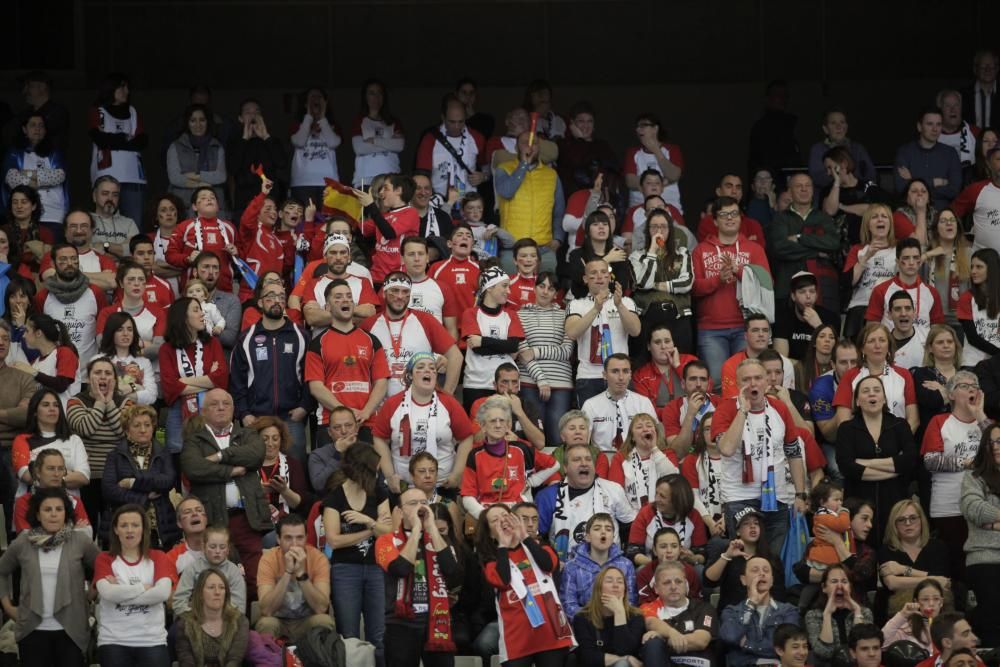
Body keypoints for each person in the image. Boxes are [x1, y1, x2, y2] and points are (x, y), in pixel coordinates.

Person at [180, 388, 270, 597]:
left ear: (233, 408)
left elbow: (256, 455)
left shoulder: (248, 434)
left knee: (253, 579)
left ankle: (250, 627)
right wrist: (231, 470)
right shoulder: (195, 440)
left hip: (248, 519)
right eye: (214, 404)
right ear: (203, 411)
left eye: (226, 403)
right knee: (217, 580)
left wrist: (220, 456)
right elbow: (194, 468)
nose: (221, 408)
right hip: (214, 520)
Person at [713, 358, 807, 553]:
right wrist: (743, 411)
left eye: (758, 378)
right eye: (746, 379)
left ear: (766, 381)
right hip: (739, 498)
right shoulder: (725, 409)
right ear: (738, 384)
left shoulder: (780, 408)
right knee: (744, 560)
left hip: (777, 498)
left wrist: (799, 494)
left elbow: (794, 452)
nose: (753, 384)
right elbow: (727, 448)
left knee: (774, 562)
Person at [0, 487, 99, 667]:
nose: (53, 514)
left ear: (65, 513)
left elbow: (104, 569)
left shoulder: (80, 540)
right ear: (38, 514)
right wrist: (7, 606)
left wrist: (90, 596)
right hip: (32, 630)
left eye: (59, 509)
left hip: (71, 631)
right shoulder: (23, 541)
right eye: (47, 509)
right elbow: (2, 570)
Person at [478, 503, 574, 666]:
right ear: (490, 533)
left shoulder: (540, 546)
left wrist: (525, 537)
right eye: (495, 520)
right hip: (517, 638)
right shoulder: (491, 561)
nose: (502, 521)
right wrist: (503, 545)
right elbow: (503, 580)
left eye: (505, 516)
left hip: (550, 633)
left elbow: (548, 565)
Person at [376, 487, 462, 667]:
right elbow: (399, 569)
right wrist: (416, 531)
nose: (420, 508)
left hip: (436, 620)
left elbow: (453, 574)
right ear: (399, 511)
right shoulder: (386, 541)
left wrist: (431, 528)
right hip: (400, 623)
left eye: (424, 503)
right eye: (413, 503)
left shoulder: (440, 540)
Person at [692, 196, 771, 388]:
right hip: (711, 330)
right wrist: (718, 279)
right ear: (715, 220)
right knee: (719, 384)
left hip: (746, 328)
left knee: (750, 383)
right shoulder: (701, 250)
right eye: (724, 214)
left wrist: (740, 271)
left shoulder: (754, 249)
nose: (730, 218)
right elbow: (693, 289)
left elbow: (767, 284)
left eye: (734, 213)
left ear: (740, 218)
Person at [373, 352, 474, 494]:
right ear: (410, 375)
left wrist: (457, 474)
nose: (428, 370)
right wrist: (390, 476)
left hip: (442, 484)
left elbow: (466, 438)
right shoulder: (393, 403)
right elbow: (379, 438)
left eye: (432, 368)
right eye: (420, 367)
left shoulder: (449, 402)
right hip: (404, 486)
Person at [229, 284, 310, 462]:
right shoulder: (246, 338)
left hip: (291, 417)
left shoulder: (301, 336)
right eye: (271, 296)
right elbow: (237, 380)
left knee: (296, 470)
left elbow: (310, 376)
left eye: (282, 297)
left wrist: (304, 406)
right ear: (260, 302)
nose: (277, 301)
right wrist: (243, 413)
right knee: (254, 471)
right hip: (256, 418)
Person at [921, 372, 991, 575]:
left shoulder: (987, 423)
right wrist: (968, 462)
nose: (971, 389)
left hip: (984, 505)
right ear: (951, 395)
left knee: (983, 561)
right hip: (948, 506)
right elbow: (931, 461)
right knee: (955, 562)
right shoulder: (939, 421)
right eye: (963, 385)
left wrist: (980, 416)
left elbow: (997, 452)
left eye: (975, 386)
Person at [323, 442, 391, 651]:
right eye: (375, 469)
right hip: (345, 569)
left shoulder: (379, 491)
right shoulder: (335, 496)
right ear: (364, 469)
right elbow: (334, 540)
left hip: (376, 567)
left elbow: (388, 532)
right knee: (348, 635)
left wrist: (366, 520)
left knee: (378, 636)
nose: (378, 473)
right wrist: (371, 529)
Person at [836, 374, 917, 543]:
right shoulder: (847, 429)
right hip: (859, 506)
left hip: (895, 501)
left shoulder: (900, 425)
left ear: (884, 398)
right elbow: (846, 466)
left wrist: (864, 463)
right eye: (865, 391)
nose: (872, 394)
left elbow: (909, 460)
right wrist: (894, 466)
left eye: (876, 390)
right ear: (857, 401)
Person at [305, 278, 389, 439]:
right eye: (338, 297)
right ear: (327, 307)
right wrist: (346, 414)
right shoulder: (317, 344)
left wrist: (366, 411)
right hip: (331, 423)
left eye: (349, 296)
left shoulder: (371, 340)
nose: (345, 300)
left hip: (367, 421)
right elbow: (316, 387)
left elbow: (381, 382)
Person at [93, 504, 174, 665]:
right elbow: (107, 593)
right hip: (113, 641)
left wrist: (120, 593)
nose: (129, 530)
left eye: (135, 525)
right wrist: (142, 588)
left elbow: (163, 593)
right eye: (124, 525)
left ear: (143, 529)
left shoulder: (158, 557)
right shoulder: (104, 558)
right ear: (116, 530)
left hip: (152, 641)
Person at [363, 271, 461, 398]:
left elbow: (456, 357)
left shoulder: (425, 320)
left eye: (405, 292)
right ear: (384, 293)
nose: (399, 296)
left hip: (419, 404)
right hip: (379, 407)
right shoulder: (368, 325)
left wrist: (447, 396)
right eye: (394, 291)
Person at [536, 441, 637, 562]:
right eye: (577, 459)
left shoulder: (613, 490)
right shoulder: (547, 496)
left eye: (588, 459)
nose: (584, 463)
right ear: (565, 468)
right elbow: (537, 538)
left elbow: (630, 528)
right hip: (565, 568)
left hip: (609, 569)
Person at [460, 396, 558, 518]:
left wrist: (531, 482)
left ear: (508, 425)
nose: (498, 425)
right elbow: (467, 496)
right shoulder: (474, 455)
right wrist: (484, 516)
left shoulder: (521, 449)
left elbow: (555, 465)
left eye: (502, 421)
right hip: (488, 515)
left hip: (518, 514)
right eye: (492, 421)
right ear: (483, 426)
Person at [101, 404, 178, 549]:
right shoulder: (115, 456)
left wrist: (132, 483)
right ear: (127, 429)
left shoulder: (163, 452)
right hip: (125, 527)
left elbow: (167, 481)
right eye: (137, 425)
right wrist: (144, 498)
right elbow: (109, 490)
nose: (143, 430)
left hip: (159, 526)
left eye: (147, 425)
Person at [566, 259, 641, 406]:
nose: (600, 276)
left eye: (604, 272)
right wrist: (595, 308)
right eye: (594, 273)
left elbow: (635, 331)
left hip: (619, 375)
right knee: (590, 426)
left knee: (623, 424)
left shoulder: (626, 302)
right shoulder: (576, 304)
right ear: (585, 279)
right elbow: (572, 333)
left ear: (609, 276)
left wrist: (619, 306)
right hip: (589, 376)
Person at [158, 297, 228, 453]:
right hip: (179, 409)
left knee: (213, 454)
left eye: (201, 310)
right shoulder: (166, 349)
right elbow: (170, 387)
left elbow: (221, 379)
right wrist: (209, 380)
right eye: (196, 310)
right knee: (178, 454)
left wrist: (183, 381)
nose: (202, 314)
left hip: (210, 407)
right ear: (182, 316)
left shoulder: (213, 343)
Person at [255, 513, 335, 642]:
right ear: (278, 539)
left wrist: (301, 574)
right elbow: (266, 610)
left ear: (306, 538)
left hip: (307, 621)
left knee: (324, 621)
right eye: (288, 538)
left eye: (299, 538)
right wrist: (287, 572)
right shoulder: (268, 559)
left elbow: (321, 608)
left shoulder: (318, 558)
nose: (294, 544)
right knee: (266, 623)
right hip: (278, 621)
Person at [495, 131, 566, 275]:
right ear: (516, 148)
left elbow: (559, 211)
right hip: (512, 248)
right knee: (510, 292)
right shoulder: (503, 169)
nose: (529, 147)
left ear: (539, 147)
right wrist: (523, 165)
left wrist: (558, 238)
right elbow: (506, 191)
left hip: (544, 248)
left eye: (534, 143)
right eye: (524, 143)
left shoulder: (551, 174)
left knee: (546, 292)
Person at [768, 173, 842, 310]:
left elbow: (833, 244)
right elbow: (780, 248)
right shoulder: (780, 219)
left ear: (813, 190)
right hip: (787, 286)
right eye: (798, 186)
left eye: (808, 186)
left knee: (825, 329)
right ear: (790, 191)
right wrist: (817, 251)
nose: (804, 189)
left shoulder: (823, 218)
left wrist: (800, 238)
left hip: (822, 287)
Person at [515, 270, 574, 441]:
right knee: (534, 439)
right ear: (534, 288)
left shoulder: (566, 316)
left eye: (551, 288)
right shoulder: (520, 315)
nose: (545, 291)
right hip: (529, 382)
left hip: (561, 383)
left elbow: (566, 351)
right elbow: (524, 354)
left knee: (557, 438)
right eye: (541, 286)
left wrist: (537, 351)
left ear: (556, 293)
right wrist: (541, 379)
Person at [832, 323, 920, 435]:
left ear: (888, 346)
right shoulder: (850, 376)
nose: (877, 345)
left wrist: (899, 443)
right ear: (862, 349)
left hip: (898, 444)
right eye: (871, 341)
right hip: (859, 445)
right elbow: (842, 421)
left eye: (882, 340)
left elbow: (914, 420)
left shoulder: (904, 375)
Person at [630, 208, 695, 355]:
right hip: (647, 314)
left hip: (678, 314)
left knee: (681, 362)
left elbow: (687, 283)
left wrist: (657, 285)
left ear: (670, 230)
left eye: (663, 226)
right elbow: (644, 283)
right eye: (654, 227)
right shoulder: (637, 256)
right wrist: (652, 251)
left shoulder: (682, 253)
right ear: (648, 230)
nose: (659, 231)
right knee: (643, 363)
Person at [958, 422, 1000, 646]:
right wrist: (989, 521)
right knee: (992, 619)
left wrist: (992, 524)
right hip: (985, 557)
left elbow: (985, 514)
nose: (996, 446)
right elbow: (974, 508)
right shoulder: (974, 476)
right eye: (991, 442)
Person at [720, 555, 801, 667]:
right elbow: (730, 637)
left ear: (772, 580)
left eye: (766, 570)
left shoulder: (788, 611)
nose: (762, 574)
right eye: (755, 570)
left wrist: (746, 645)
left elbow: (788, 647)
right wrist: (751, 604)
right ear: (743, 580)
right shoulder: (731, 611)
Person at [877, 499, 952, 621]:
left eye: (913, 518)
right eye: (901, 520)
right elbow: (892, 583)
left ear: (921, 520)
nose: (908, 523)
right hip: (896, 614)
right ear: (894, 524)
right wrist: (932, 579)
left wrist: (903, 570)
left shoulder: (938, 547)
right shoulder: (887, 549)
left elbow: (944, 582)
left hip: (936, 611)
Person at [11, 387, 88, 503]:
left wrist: (44, 474)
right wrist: (66, 473)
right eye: (46, 405)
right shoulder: (22, 440)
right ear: (35, 411)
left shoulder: (74, 440)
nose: (52, 409)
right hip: (31, 506)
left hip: (70, 506)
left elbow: (83, 477)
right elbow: (26, 476)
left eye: (56, 405)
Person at [36, 242, 109, 364]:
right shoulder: (43, 297)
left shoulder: (96, 293)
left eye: (74, 259)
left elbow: (105, 331)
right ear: (52, 264)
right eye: (63, 259)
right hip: (54, 372)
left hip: (89, 374)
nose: (69, 263)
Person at [560, 513, 637, 620]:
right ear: (587, 537)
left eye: (608, 529)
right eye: (597, 529)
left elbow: (631, 601)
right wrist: (593, 620)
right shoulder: (571, 567)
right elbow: (569, 605)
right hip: (586, 627)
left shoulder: (626, 565)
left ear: (613, 536)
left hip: (618, 623)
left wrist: (616, 617)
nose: (603, 532)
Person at [3, 112, 68, 234]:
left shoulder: (54, 152)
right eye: (33, 125)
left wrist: (26, 174)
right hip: (25, 215)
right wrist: (43, 180)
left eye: (41, 125)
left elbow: (59, 176)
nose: (37, 128)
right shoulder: (15, 153)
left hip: (54, 214)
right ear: (24, 129)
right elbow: (12, 179)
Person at [605, 413, 682, 515]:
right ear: (632, 437)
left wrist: (654, 449)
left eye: (649, 426)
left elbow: (674, 481)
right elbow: (615, 493)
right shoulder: (621, 458)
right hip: (631, 518)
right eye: (639, 427)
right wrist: (635, 518)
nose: (645, 429)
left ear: (656, 433)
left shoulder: (668, 454)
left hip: (665, 515)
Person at [165, 187, 238, 294]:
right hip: (193, 291)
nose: (209, 200)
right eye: (203, 198)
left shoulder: (230, 227)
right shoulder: (184, 227)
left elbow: (242, 253)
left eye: (212, 198)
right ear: (194, 206)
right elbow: (170, 255)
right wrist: (187, 259)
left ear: (217, 206)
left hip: (224, 290)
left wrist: (237, 252)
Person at [626, 473, 710, 565]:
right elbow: (633, 552)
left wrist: (692, 559)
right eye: (656, 493)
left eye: (662, 496)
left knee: (699, 571)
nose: (657, 499)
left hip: (684, 567)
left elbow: (702, 554)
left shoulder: (694, 516)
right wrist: (657, 564)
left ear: (677, 500)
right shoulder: (646, 513)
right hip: (651, 566)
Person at [252, 416, 311, 546]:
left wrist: (284, 490)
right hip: (254, 524)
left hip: (285, 524)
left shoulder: (292, 464)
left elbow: (299, 505)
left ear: (281, 440)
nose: (270, 443)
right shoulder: (247, 466)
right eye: (264, 439)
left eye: (275, 438)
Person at [174, 568, 250, 667]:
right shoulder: (185, 623)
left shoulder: (239, 621)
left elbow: (235, 660)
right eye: (211, 587)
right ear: (200, 593)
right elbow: (186, 661)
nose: (217, 592)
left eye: (222, 588)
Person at [415, 93, 487, 197]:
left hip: (469, 204)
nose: (457, 126)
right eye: (452, 122)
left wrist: (483, 176)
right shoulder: (430, 139)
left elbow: (488, 167)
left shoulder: (477, 138)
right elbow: (421, 177)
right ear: (443, 118)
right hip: (438, 201)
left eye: (461, 121)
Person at [581, 353, 656, 452]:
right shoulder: (590, 405)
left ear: (630, 375)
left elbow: (655, 439)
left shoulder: (643, 402)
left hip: (638, 460)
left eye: (625, 371)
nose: (621, 377)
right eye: (615, 371)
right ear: (604, 375)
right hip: (603, 461)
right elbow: (582, 443)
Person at [572, 565, 644, 667]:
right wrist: (622, 658)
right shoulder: (582, 618)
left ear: (625, 589)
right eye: (609, 581)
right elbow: (586, 657)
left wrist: (619, 613)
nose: (616, 585)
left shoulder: (636, 616)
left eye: (620, 582)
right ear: (598, 588)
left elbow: (626, 650)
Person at [804, 565, 875, 666]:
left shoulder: (864, 612)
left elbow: (862, 649)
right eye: (834, 581)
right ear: (824, 587)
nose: (839, 586)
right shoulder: (813, 615)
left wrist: (857, 612)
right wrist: (827, 615)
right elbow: (824, 652)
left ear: (850, 587)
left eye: (844, 582)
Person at [821, 146, 890, 247]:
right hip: (841, 246)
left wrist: (841, 206)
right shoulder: (828, 190)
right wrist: (836, 182)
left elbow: (874, 211)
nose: (828, 173)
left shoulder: (867, 186)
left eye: (830, 168)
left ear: (843, 164)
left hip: (870, 243)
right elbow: (830, 211)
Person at [227, 98, 287, 216]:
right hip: (244, 202)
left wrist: (265, 136)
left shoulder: (272, 141)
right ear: (240, 118)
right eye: (248, 113)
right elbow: (232, 168)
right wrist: (244, 139)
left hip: (269, 201)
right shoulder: (234, 142)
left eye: (256, 112)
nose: (253, 116)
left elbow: (282, 163)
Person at [13, 449, 92, 537]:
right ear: (38, 472)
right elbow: (26, 539)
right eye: (51, 469)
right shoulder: (24, 502)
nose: (56, 474)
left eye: (61, 468)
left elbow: (86, 536)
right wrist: (73, 533)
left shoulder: (75, 501)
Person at [894, 108, 962, 209]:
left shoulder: (950, 153)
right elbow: (901, 188)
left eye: (938, 124)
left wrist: (913, 181)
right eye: (930, 124)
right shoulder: (904, 152)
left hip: (941, 216)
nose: (935, 129)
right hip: (911, 213)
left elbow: (954, 191)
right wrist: (936, 182)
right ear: (919, 127)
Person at [172, 524, 246, 616]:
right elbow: (179, 603)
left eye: (222, 547)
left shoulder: (234, 571)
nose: (218, 551)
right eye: (212, 547)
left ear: (228, 549)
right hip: (195, 618)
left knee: (243, 623)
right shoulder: (192, 569)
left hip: (227, 620)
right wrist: (198, 618)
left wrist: (217, 619)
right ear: (203, 547)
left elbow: (239, 606)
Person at [166, 104, 227, 212]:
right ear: (187, 123)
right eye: (193, 120)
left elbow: (221, 176)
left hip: (212, 209)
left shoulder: (216, 146)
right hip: (182, 206)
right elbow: (175, 178)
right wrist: (204, 184)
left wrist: (195, 175)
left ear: (208, 122)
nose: (198, 124)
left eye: (202, 120)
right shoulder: (175, 146)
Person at [808, 109, 877, 191]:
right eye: (833, 123)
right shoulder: (818, 149)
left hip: (858, 193)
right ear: (825, 129)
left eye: (842, 122)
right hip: (829, 194)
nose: (839, 127)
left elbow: (871, 175)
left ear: (846, 127)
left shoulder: (858, 149)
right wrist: (842, 181)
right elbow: (817, 177)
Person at [956, 248, 1000, 365]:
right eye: (972, 267)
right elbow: (973, 338)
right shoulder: (966, 298)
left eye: (979, 267)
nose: (973, 271)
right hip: (973, 363)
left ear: (992, 269)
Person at [881, 578, 946, 654]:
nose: (931, 603)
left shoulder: (951, 626)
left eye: (936, 599)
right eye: (925, 599)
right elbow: (882, 645)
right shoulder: (907, 627)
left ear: (941, 602)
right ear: (916, 602)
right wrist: (902, 615)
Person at [307, 405, 359, 493]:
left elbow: (377, 486)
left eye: (349, 425)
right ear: (330, 432)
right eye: (337, 427)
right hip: (330, 502)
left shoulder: (368, 452)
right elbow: (319, 486)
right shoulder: (317, 455)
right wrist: (337, 454)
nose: (344, 431)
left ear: (357, 428)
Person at [91, 176, 140, 258]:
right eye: (105, 194)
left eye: (115, 195)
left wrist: (104, 245)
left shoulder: (129, 223)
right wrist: (121, 249)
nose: (110, 198)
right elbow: (85, 249)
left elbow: (135, 251)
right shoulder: (85, 220)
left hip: (124, 269)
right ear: (94, 196)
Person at [805, 481, 851, 570]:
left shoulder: (825, 515)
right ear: (822, 502)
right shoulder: (823, 516)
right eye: (836, 500)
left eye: (841, 500)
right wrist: (844, 511)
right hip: (824, 557)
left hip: (826, 556)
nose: (840, 503)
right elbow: (843, 525)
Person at [937, 90, 978, 178]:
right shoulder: (931, 133)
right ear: (940, 108)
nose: (953, 109)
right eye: (947, 105)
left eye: (956, 105)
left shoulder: (975, 132)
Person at [962, 49, 999, 128]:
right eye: (983, 65)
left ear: (997, 68)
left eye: (991, 65)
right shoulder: (963, 95)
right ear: (975, 69)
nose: (987, 69)